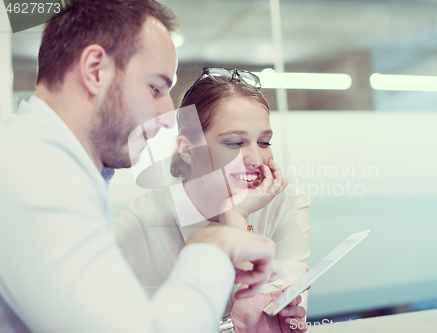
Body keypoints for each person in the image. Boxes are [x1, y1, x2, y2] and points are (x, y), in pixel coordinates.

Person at [0, 1, 282, 332]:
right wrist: (215, 245)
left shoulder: (41, 160)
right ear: (94, 70)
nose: (167, 115)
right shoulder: (38, 172)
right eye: (156, 88)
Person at [114, 67, 311, 332]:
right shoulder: (136, 222)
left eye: (264, 142)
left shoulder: (286, 205)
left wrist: (236, 217)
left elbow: (271, 318)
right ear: (187, 150)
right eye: (234, 143)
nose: (256, 158)